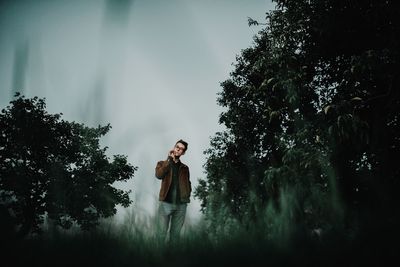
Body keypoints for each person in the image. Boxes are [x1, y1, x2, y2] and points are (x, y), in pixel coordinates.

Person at [155, 139, 191, 243]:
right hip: (166, 203)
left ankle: (171, 258)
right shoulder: (162, 163)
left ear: (183, 153)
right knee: (161, 233)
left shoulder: (185, 168)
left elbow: (188, 183)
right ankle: (157, 257)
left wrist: (187, 195)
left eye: (181, 149)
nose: (178, 150)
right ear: (174, 148)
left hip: (181, 205)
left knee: (175, 236)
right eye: (177, 147)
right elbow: (159, 175)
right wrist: (168, 160)